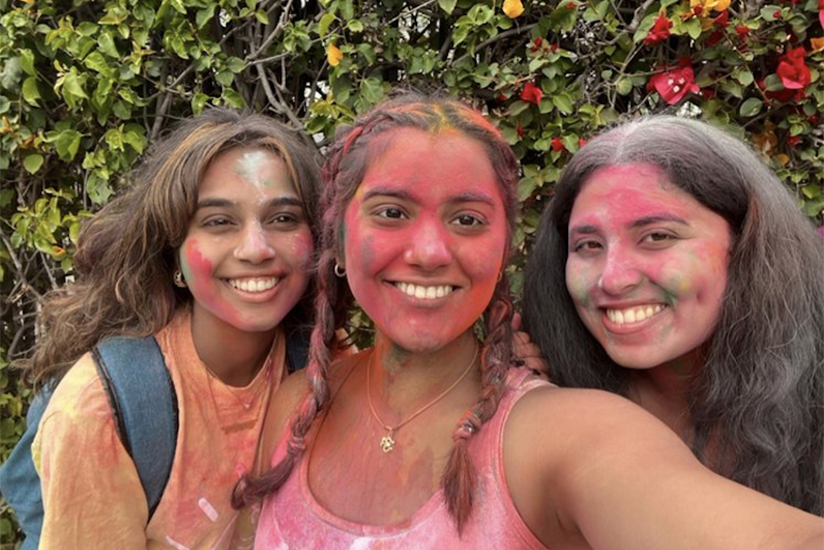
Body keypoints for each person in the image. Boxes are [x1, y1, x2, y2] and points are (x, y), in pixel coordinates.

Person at [233, 96, 824, 549]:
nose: (432, 251)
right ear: (336, 234)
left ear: (503, 251)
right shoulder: (294, 410)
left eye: (468, 219)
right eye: (391, 212)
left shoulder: (561, 434)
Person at [26, 109, 320, 549]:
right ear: (174, 256)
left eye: (282, 219)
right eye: (218, 222)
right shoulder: (96, 415)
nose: (256, 249)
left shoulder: (324, 363)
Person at [523, 115, 824, 516]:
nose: (612, 279)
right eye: (589, 245)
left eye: (657, 237)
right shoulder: (539, 400)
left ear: (746, 243)